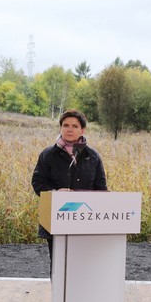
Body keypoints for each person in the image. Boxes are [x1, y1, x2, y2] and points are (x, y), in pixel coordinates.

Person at [31, 109, 107, 271]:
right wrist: (56, 194)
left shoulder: (92, 156)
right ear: (60, 128)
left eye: (74, 126)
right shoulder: (48, 155)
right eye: (65, 125)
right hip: (57, 217)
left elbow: (101, 189)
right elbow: (38, 182)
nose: (69, 129)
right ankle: (59, 296)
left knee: (84, 265)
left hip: (86, 219)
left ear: (82, 130)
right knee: (59, 265)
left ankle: (82, 295)